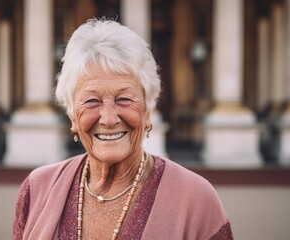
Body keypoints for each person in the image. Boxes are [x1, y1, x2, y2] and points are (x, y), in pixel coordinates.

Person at [13, 18, 234, 240]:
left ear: (148, 111)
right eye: (91, 101)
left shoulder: (197, 199)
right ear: (72, 115)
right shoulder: (36, 190)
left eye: (124, 99)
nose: (109, 119)